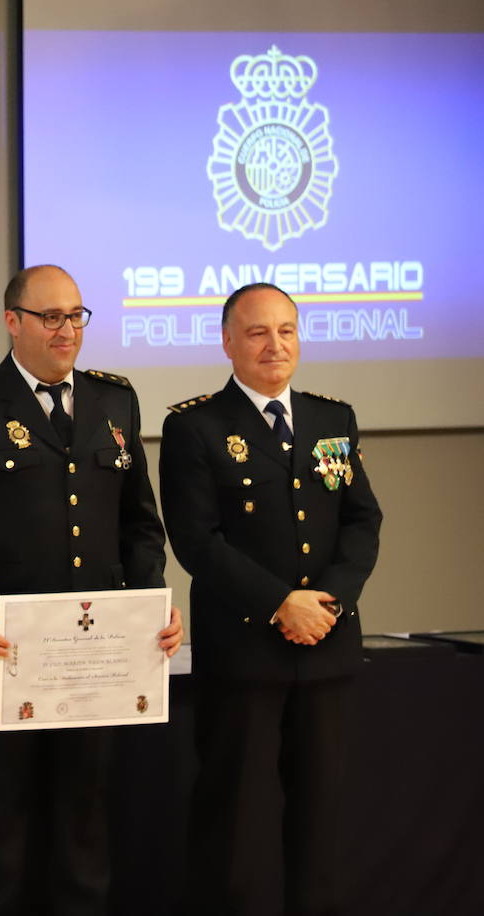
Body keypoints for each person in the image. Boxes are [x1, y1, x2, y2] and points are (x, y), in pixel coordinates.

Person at [0, 264, 181, 916]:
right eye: (51, 317)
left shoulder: (114, 400)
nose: (67, 331)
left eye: (76, 316)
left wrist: (153, 602)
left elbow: (139, 523)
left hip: (97, 650)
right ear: (13, 321)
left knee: (85, 816)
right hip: (2, 650)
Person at [160, 282, 381, 916]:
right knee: (236, 829)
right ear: (228, 342)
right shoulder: (195, 426)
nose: (273, 344)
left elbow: (362, 521)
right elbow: (197, 541)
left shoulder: (331, 419)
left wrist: (328, 602)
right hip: (246, 657)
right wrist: (282, 603)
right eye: (257, 332)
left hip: (326, 654)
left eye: (286, 330)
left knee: (319, 828)